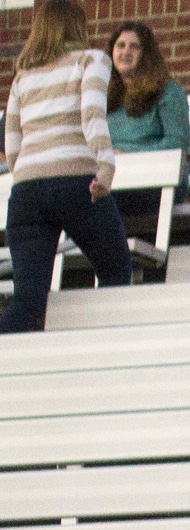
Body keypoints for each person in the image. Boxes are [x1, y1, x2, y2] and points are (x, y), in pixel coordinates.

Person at [2, 0, 130, 335]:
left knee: (28, 302)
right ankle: (102, 348)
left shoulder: (22, 79)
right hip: (77, 184)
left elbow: (11, 145)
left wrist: (30, 180)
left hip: (26, 191)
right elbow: (92, 116)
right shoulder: (92, 60)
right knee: (116, 273)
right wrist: (105, 169)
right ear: (77, 27)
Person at [103, 20, 185, 232]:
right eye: (120, 45)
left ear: (146, 55)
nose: (126, 51)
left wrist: (128, 155)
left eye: (134, 46)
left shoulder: (168, 92)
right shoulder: (102, 97)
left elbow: (177, 145)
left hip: (157, 181)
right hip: (114, 180)